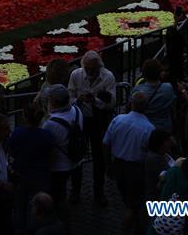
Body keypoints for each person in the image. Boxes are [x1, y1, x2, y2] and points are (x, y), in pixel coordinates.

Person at [103, 91, 155, 235]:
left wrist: (108, 164)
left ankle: (137, 226)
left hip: (118, 165)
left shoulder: (118, 120)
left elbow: (106, 144)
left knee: (129, 200)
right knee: (133, 204)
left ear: (130, 103)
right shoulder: (149, 128)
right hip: (136, 169)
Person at [68, 50, 115, 205]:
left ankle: (99, 192)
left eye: (92, 69)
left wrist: (94, 100)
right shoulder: (76, 75)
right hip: (80, 121)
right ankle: (75, 192)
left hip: (98, 121)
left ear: (99, 67)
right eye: (87, 68)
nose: (89, 71)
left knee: (99, 157)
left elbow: (112, 103)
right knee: (78, 157)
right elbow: (70, 98)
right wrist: (79, 100)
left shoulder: (108, 77)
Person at [9, 102, 54, 233]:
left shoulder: (17, 133)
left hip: (20, 174)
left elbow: (11, 151)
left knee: (19, 207)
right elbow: (51, 155)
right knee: (37, 206)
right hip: (40, 175)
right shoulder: (46, 135)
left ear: (24, 116)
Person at [42, 84, 81, 227]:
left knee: (57, 197)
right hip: (72, 161)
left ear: (55, 102)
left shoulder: (50, 123)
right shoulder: (76, 111)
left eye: (50, 99)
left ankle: (61, 224)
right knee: (61, 194)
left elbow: (46, 147)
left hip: (58, 166)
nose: (48, 101)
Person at [132, 59, 175, 131]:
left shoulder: (137, 91)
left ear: (144, 74)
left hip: (145, 129)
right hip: (164, 128)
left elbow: (132, 111)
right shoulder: (168, 87)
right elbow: (173, 105)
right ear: (159, 73)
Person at [144, 130, 174, 208]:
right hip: (158, 197)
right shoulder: (155, 159)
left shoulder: (163, 154)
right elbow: (167, 177)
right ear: (162, 143)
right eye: (168, 140)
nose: (171, 142)